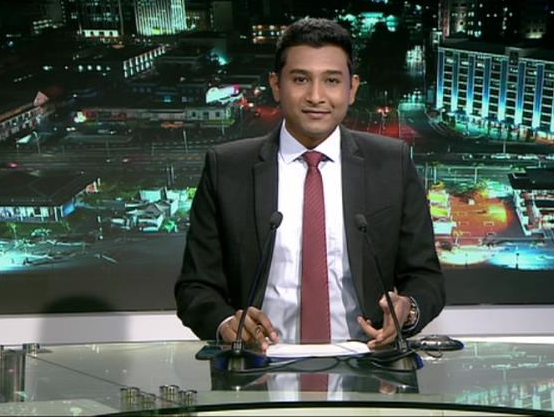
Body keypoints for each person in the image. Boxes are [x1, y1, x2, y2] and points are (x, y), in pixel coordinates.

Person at [175, 18, 444, 351]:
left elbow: (426, 278)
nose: (316, 96)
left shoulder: (392, 163)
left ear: (352, 88)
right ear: (276, 85)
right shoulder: (227, 168)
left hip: (369, 361)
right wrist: (226, 324)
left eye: (331, 80)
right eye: (300, 79)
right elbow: (195, 287)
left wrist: (408, 310)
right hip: (258, 363)